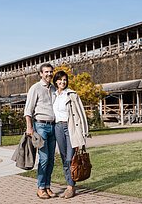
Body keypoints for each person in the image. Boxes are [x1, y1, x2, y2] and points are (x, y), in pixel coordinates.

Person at [52, 70, 89, 199]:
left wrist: (83, 133)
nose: (63, 82)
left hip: (70, 127)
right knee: (64, 158)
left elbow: (81, 114)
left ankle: (71, 187)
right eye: (60, 80)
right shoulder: (53, 95)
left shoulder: (72, 94)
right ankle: (70, 185)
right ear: (56, 81)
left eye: (65, 80)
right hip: (58, 127)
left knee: (70, 158)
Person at [24, 63, 57, 199]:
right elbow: (28, 110)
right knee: (44, 158)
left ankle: (47, 186)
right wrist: (29, 128)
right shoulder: (35, 88)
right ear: (41, 74)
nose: (49, 74)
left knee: (51, 159)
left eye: (50, 72)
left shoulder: (54, 88)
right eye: (46, 72)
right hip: (41, 126)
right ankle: (40, 187)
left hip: (53, 126)